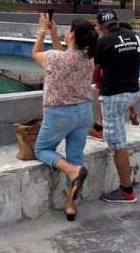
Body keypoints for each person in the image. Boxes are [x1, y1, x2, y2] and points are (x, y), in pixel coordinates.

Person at [31, 13, 99, 221]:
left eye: (69, 29)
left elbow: (36, 54)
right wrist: (54, 34)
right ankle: (70, 205)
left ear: (72, 35)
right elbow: (65, 58)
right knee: (75, 155)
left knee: (41, 150)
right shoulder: (88, 60)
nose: (66, 31)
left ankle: (72, 171)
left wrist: (42, 30)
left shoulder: (55, 59)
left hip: (59, 113)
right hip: (84, 112)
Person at [93, 9, 140, 203]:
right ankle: (126, 188)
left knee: (119, 145)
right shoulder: (135, 36)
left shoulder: (103, 41)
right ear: (117, 21)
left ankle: (127, 191)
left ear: (100, 26)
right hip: (133, 92)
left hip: (114, 96)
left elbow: (96, 74)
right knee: (119, 139)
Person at [91, 22, 140, 140]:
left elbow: (96, 82)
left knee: (116, 139)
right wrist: (133, 112)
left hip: (109, 95)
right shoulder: (128, 62)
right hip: (127, 94)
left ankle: (100, 128)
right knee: (118, 130)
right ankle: (102, 129)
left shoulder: (108, 64)